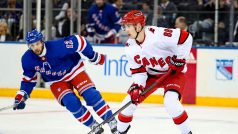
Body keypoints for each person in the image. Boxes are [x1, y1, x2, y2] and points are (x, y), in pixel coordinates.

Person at [12, 29, 119, 134]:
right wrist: (22, 95)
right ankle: (92, 125)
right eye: (32, 45)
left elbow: (79, 41)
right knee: (71, 103)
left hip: (74, 70)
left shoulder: (58, 47)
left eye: (37, 44)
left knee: (91, 95)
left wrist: (93, 56)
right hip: (56, 81)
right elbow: (28, 79)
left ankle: (111, 120)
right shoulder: (27, 59)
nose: (35, 47)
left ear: (42, 41)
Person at [116, 10, 193, 134]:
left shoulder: (158, 34)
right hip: (150, 75)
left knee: (171, 102)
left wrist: (180, 58)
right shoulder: (130, 47)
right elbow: (138, 71)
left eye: (128, 26)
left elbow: (186, 37)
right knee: (128, 103)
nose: (126, 29)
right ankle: (119, 132)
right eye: (125, 26)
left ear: (139, 26)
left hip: (173, 74)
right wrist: (137, 87)